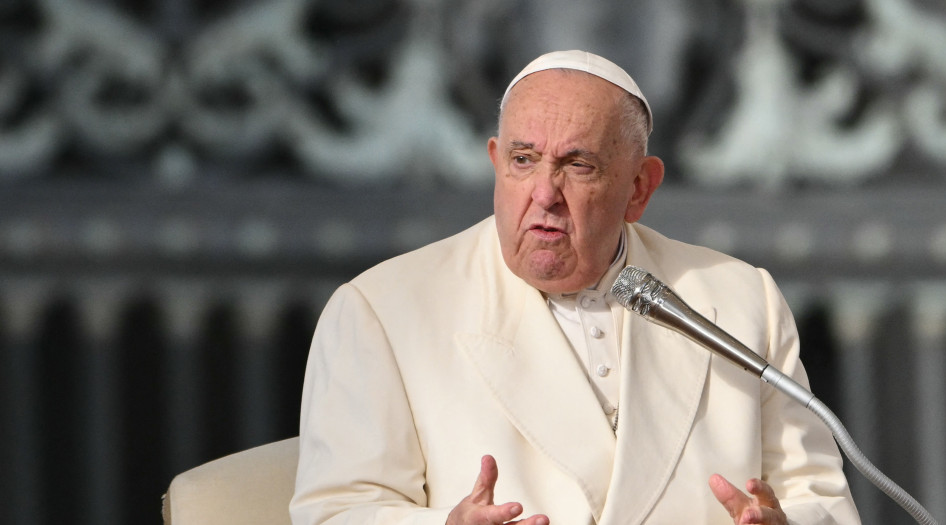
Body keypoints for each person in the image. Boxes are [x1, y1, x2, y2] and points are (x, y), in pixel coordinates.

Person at [290, 50, 860, 525]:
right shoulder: (383, 311)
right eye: (523, 160)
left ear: (639, 188)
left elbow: (819, 498)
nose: (544, 193)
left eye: (578, 165)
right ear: (495, 163)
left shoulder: (739, 300)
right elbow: (335, 511)